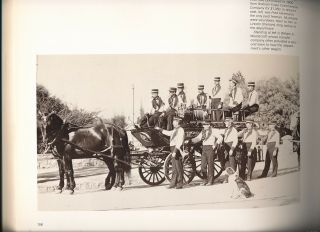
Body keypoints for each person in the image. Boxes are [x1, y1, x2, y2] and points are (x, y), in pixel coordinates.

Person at [155, 117, 185, 189]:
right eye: (173, 121)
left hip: (177, 148)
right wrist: (160, 129)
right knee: (174, 167)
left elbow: (179, 142)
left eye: (174, 121)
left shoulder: (181, 130)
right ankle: (173, 183)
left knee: (178, 167)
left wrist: (175, 151)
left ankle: (180, 183)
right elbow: (168, 133)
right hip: (173, 148)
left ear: (178, 122)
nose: (173, 123)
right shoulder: (175, 130)